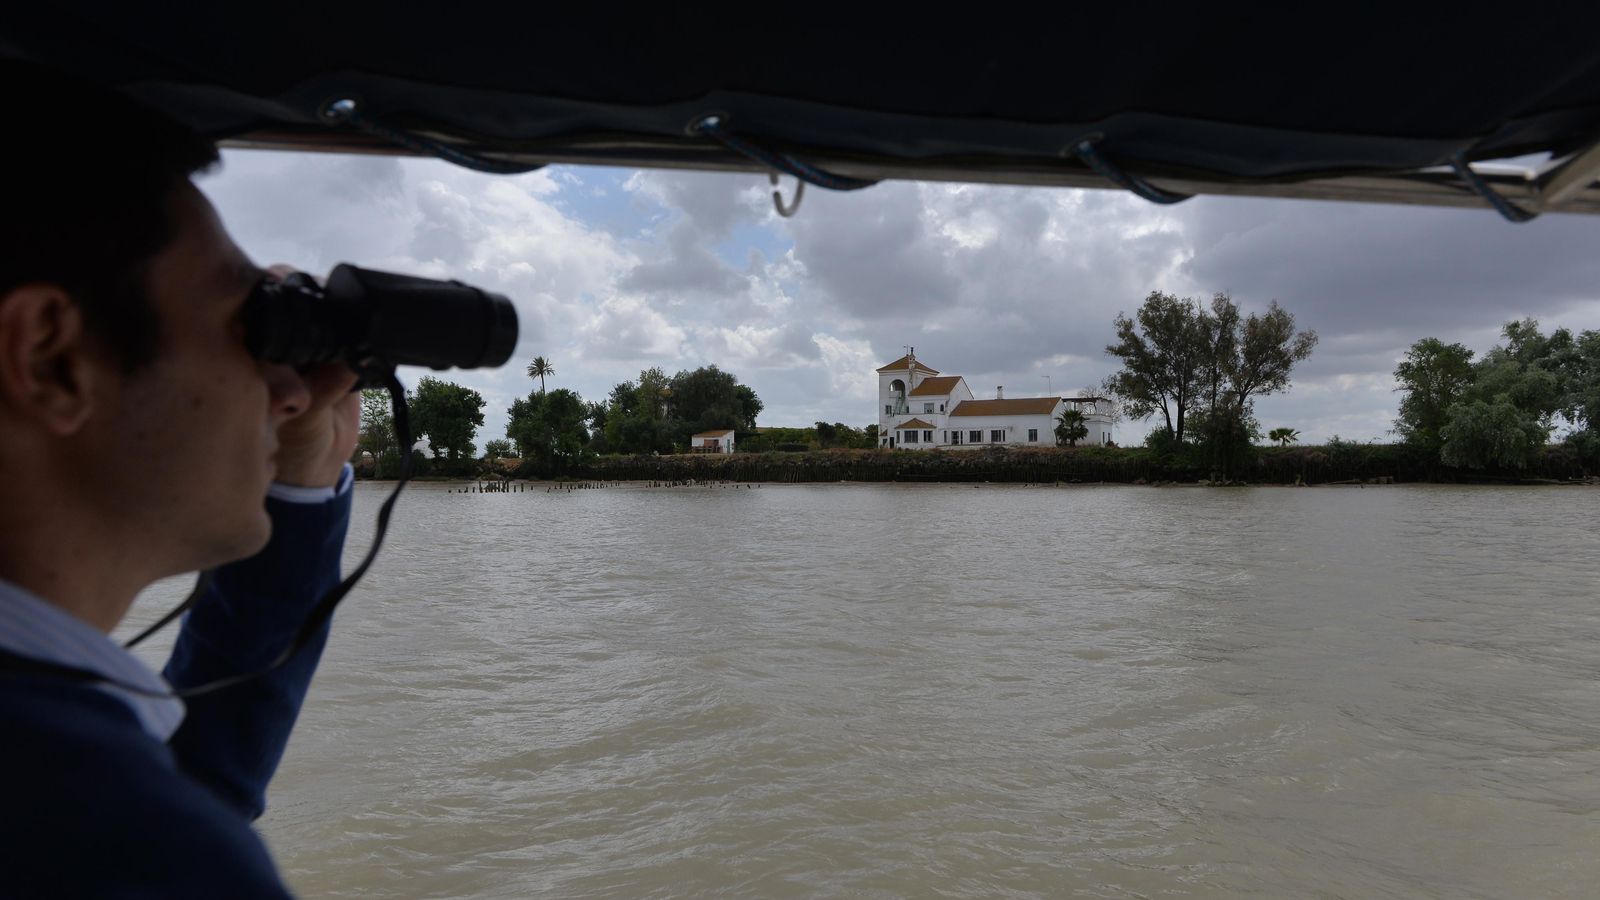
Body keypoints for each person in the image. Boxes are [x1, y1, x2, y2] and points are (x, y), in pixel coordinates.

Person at [0, 62, 361, 897]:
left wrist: (299, 481)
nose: (289, 389)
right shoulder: (124, 847)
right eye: (245, 325)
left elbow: (184, 786)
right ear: (51, 359)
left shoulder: (87, 808)